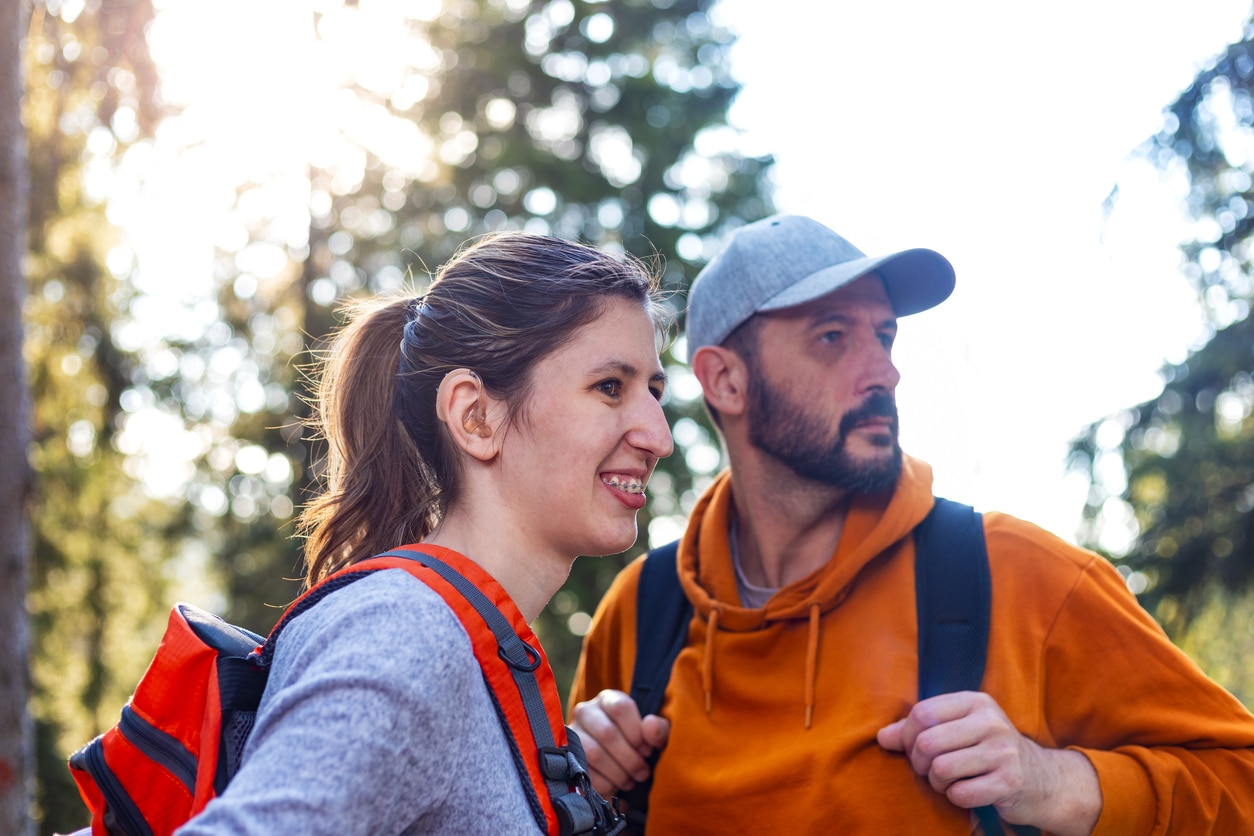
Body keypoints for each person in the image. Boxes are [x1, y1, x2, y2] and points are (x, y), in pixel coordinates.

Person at [567, 214, 1254, 834]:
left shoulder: (1025, 577)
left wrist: (1064, 784)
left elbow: (1239, 781)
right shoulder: (640, 613)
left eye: (885, 334)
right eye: (833, 337)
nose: (885, 371)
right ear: (725, 381)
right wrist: (582, 788)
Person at [178, 232, 673, 834]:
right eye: (610, 387)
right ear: (476, 416)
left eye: (653, 391)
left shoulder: (464, 644)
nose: (658, 435)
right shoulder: (410, 634)